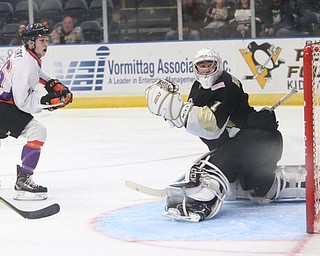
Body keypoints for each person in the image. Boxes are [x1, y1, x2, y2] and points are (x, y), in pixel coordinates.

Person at [145, 48, 305, 221]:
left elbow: (213, 126)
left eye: (209, 65)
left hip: (261, 142)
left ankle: (206, 196)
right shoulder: (198, 86)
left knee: (248, 181)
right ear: (195, 68)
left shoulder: (225, 84)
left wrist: (179, 112)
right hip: (244, 142)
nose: (205, 69)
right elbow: (210, 130)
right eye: (201, 65)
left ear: (217, 65)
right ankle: (237, 182)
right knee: (240, 175)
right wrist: (177, 116)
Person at [0, 23, 73, 200]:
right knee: (38, 132)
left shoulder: (25, 54)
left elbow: (36, 71)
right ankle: (24, 179)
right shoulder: (27, 64)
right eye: (41, 40)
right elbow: (22, 102)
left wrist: (51, 83)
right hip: (3, 107)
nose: (45, 44)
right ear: (31, 42)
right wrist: (49, 102)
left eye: (47, 40)